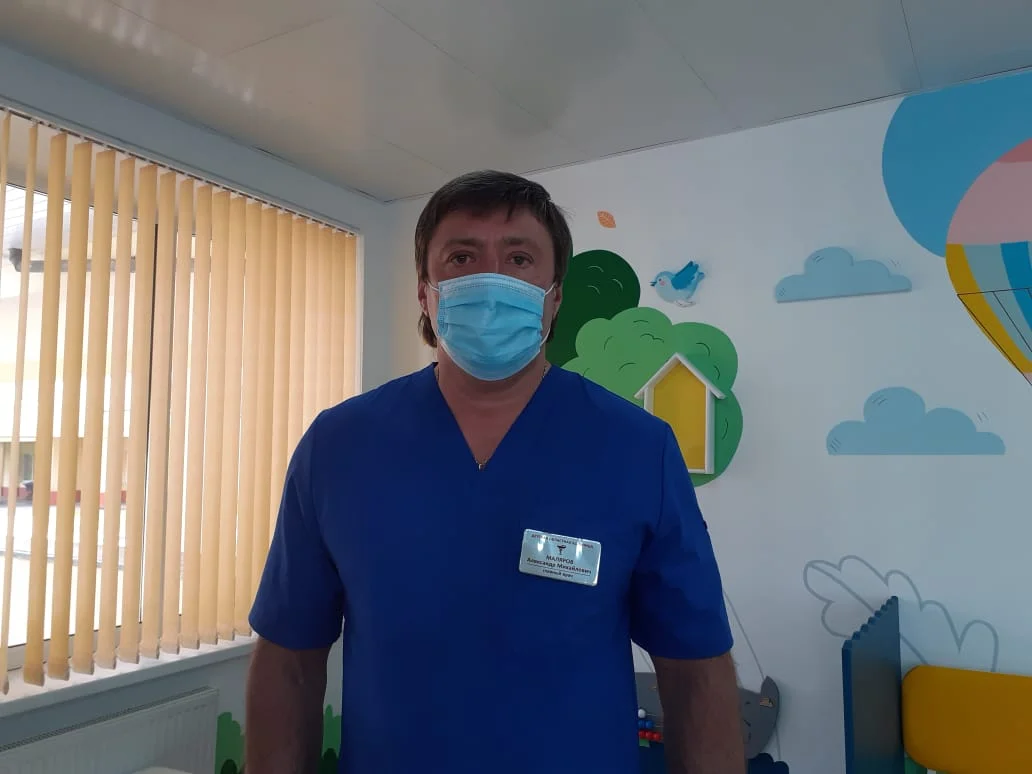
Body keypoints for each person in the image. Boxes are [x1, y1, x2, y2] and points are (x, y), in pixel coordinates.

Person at [246, 170, 745, 774]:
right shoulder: (338, 446)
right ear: (425, 293)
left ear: (554, 297)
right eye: (462, 258)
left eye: (519, 258)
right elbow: (289, 661)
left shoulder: (639, 450)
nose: (491, 280)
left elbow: (695, 669)